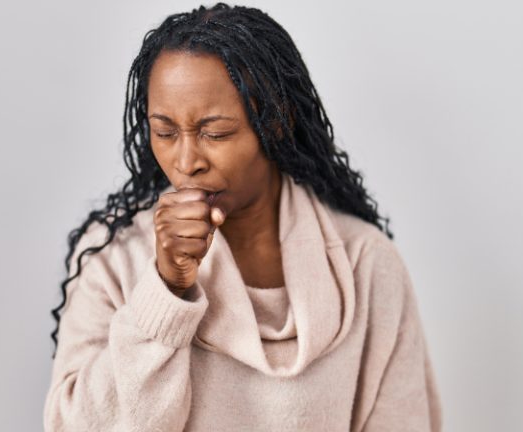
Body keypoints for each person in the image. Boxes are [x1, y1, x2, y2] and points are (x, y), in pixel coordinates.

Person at [43, 3, 442, 431]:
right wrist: (164, 291)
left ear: (276, 122)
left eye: (215, 133)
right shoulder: (112, 257)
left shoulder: (365, 265)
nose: (186, 162)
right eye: (165, 132)